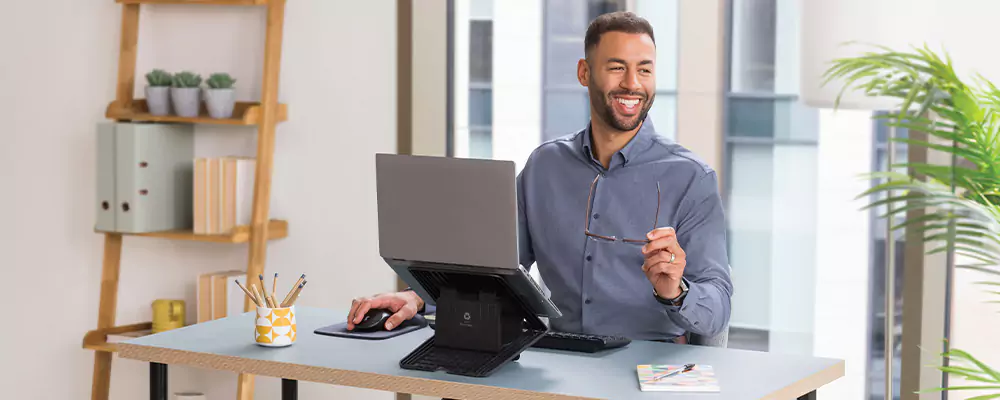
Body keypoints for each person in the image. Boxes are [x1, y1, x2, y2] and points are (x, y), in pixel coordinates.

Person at [347, 11, 732, 343]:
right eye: (617, 67)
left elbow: (717, 309)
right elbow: (494, 271)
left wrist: (675, 290)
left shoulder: (691, 178)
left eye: (644, 69)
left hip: (645, 369)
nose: (632, 83)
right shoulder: (546, 165)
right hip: (559, 359)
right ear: (585, 73)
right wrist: (417, 298)